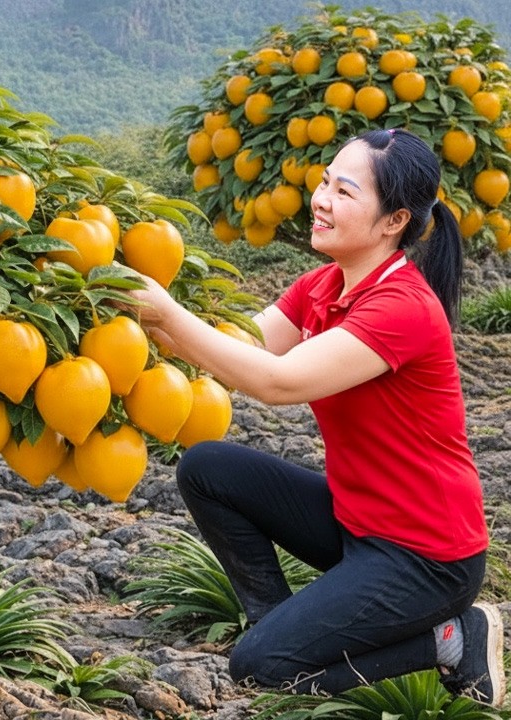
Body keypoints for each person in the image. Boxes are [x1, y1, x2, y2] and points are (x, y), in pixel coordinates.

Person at [130, 128, 503, 704]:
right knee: (207, 469)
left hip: (428, 557)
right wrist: (132, 312)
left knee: (260, 669)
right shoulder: (323, 285)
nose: (321, 199)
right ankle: (284, 628)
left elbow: (278, 382)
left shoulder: (402, 307)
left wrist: (170, 313)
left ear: (392, 221)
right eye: (325, 181)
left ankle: (449, 636)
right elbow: (238, 345)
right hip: (360, 522)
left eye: (345, 192)